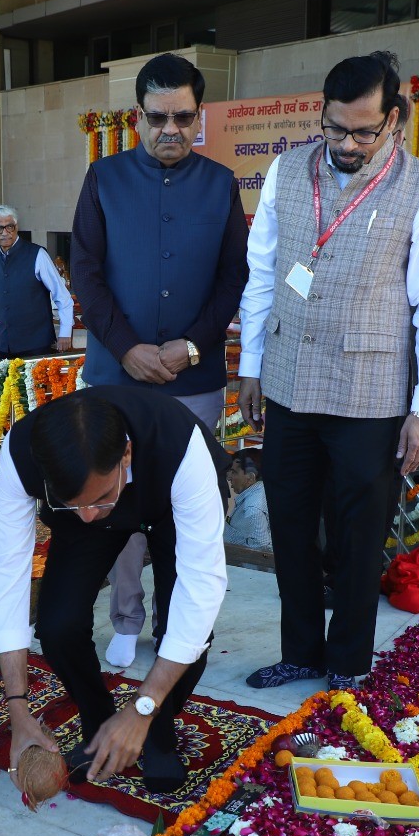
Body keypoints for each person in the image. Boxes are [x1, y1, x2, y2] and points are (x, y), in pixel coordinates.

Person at [236, 50, 419, 691]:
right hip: (287, 385)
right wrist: (251, 365)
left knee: (359, 537)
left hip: (370, 394)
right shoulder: (287, 171)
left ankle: (347, 663)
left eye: (364, 132)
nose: (347, 143)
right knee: (289, 525)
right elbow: (262, 274)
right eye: (335, 128)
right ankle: (302, 652)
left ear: (394, 119)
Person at [70, 52, 249, 671]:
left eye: (183, 118)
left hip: (193, 378)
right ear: (138, 116)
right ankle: (126, 618)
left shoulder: (220, 184)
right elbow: (86, 273)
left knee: (189, 507)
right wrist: (127, 348)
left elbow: (233, 278)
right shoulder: (104, 178)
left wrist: (192, 345)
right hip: (115, 376)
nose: (170, 129)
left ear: (199, 117)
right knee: (117, 502)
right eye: (157, 118)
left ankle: (181, 624)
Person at [0, 387, 228, 794]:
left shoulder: (180, 447)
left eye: (99, 498)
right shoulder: (22, 455)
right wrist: (18, 709)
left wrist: (142, 708)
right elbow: (7, 573)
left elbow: (201, 587)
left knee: (187, 629)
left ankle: (157, 731)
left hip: (169, 503)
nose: (88, 517)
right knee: (58, 626)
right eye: (71, 502)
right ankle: (99, 724)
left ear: (126, 456)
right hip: (95, 490)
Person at [0, 204, 74, 359]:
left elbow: (62, 296)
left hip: (35, 343)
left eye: (10, 227)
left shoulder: (37, 254)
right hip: (2, 344)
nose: (5, 233)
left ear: (17, 227)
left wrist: (65, 332)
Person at [225, 449, 271, 552]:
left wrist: (227, 535)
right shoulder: (261, 494)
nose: (229, 477)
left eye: (234, 472)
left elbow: (261, 547)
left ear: (250, 477)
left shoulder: (253, 508)